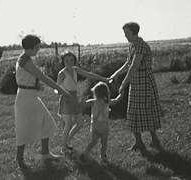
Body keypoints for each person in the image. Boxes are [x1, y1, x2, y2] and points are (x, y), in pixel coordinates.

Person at [14, 35, 74, 170]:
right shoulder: (25, 60)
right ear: (32, 47)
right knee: (23, 128)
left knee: (46, 122)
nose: (38, 49)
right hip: (26, 98)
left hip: (30, 95)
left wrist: (36, 85)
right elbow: (43, 78)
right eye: (37, 47)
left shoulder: (25, 58)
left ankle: (45, 153)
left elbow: (30, 78)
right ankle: (19, 159)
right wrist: (62, 91)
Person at [109, 22, 163, 152]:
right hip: (136, 81)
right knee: (133, 111)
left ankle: (154, 140)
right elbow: (128, 63)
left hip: (144, 82)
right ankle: (139, 142)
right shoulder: (132, 46)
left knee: (147, 110)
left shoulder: (141, 46)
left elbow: (134, 66)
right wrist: (115, 74)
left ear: (134, 32)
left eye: (127, 33)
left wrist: (123, 84)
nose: (125, 36)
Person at [56, 50, 111, 153]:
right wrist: (62, 93)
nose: (69, 62)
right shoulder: (61, 73)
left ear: (74, 61)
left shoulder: (75, 70)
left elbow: (89, 74)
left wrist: (103, 79)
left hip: (75, 98)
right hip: (66, 99)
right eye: (66, 60)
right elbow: (57, 88)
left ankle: (67, 141)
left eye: (71, 60)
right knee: (68, 123)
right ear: (63, 61)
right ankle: (64, 148)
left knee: (80, 123)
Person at [78, 82, 123, 165]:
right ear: (106, 92)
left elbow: (83, 104)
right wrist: (121, 93)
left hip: (94, 124)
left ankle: (85, 153)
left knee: (93, 141)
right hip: (104, 125)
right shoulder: (107, 102)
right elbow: (116, 100)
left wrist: (83, 99)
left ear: (95, 93)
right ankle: (103, 158)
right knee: (104, 143)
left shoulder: (93, 101)